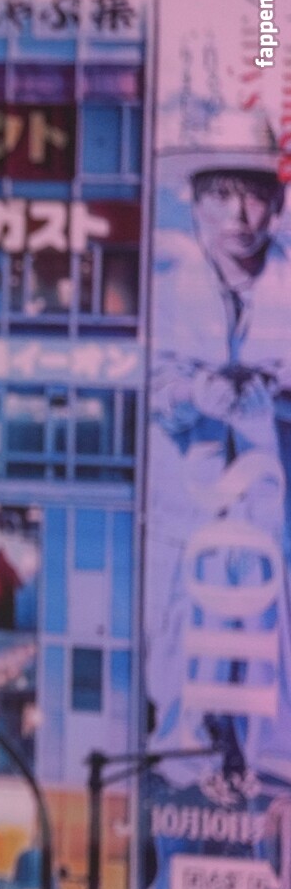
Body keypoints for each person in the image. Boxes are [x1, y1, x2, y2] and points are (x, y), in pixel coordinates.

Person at [145, 106, 291, 795]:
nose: (239, 214)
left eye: (254, 194)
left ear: (276, 203)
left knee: (273, 662)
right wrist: (192, 393)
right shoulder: (162, 286)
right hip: (189, 518)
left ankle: (271, 784)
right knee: (185, 662)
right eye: (222, 194)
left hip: (275, 522)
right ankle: (187, 779)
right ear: (195, 199)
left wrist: (276, 394)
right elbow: (147, 384)